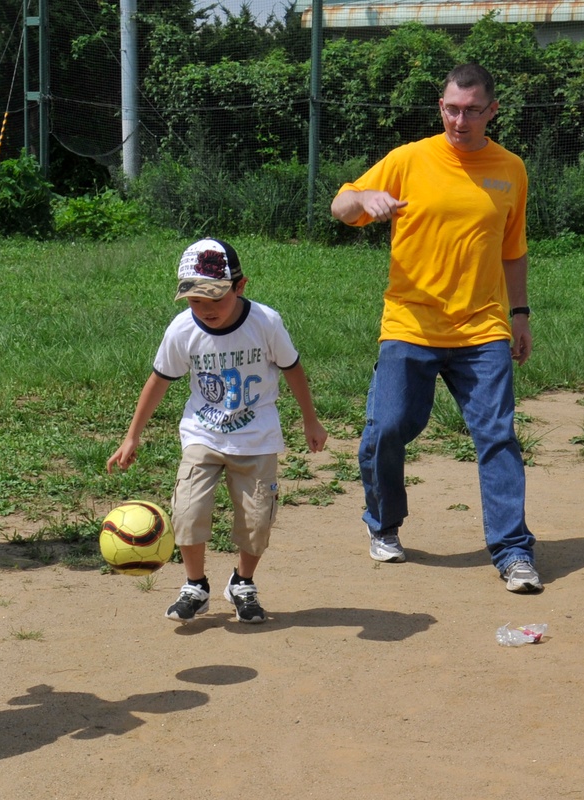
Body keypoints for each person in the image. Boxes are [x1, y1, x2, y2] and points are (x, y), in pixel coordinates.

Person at [329, 63, 541, 593]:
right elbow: (340, 204)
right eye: (451, 108)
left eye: (472, 110)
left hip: (482, 329)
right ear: (440, 107)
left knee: (496, 436)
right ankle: (383, 524)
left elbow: (512, 252)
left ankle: (513, 551)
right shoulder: (409, 159)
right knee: (388, 428)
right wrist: (365, 200)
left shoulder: (510, 168)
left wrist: (520, 316)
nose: (460, 119)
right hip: (410, 323)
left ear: (492, 110)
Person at [107, 238, 327, 623]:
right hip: (202, 435)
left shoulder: (266, 323)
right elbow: (159, 380)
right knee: (188, 513)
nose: (205, 310)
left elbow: (293, 369)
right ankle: (195, 586)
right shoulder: (182, 330)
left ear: (240, 287)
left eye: (215, 300)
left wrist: (310, 419)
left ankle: (242, 583)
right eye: (195, 301)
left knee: (257, 522)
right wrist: (132, 435)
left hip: (256, 436)